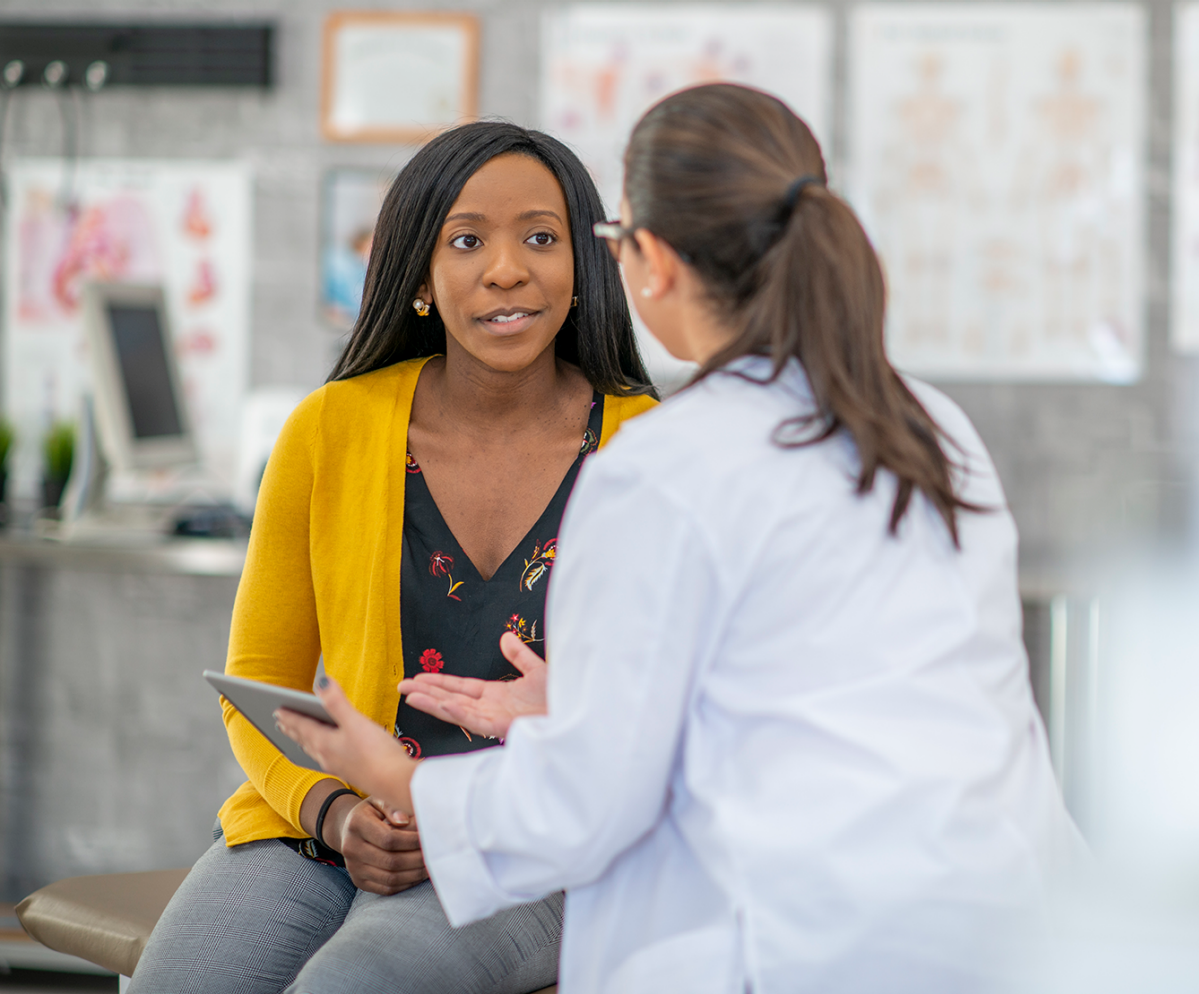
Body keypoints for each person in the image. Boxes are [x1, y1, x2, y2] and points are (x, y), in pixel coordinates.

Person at [277, 84, 1079, 994]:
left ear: (650, 261)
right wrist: (573, 706)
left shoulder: (662, 466)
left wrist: (388, 774)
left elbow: (582, 808)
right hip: (1001, 924)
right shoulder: (931, 426)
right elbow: (817, 696)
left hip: (796, 943)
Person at [129, 121, 656, 994]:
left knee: (355, 982)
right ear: (417, 276)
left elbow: (665, 716)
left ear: (584, 268)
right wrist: (335, 814)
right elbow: (258, 685)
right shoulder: (328, 428)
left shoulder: (652, 447)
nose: (506, 270)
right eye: (465, 241)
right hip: (334, 825)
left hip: (526, 839)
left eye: (540, 237)